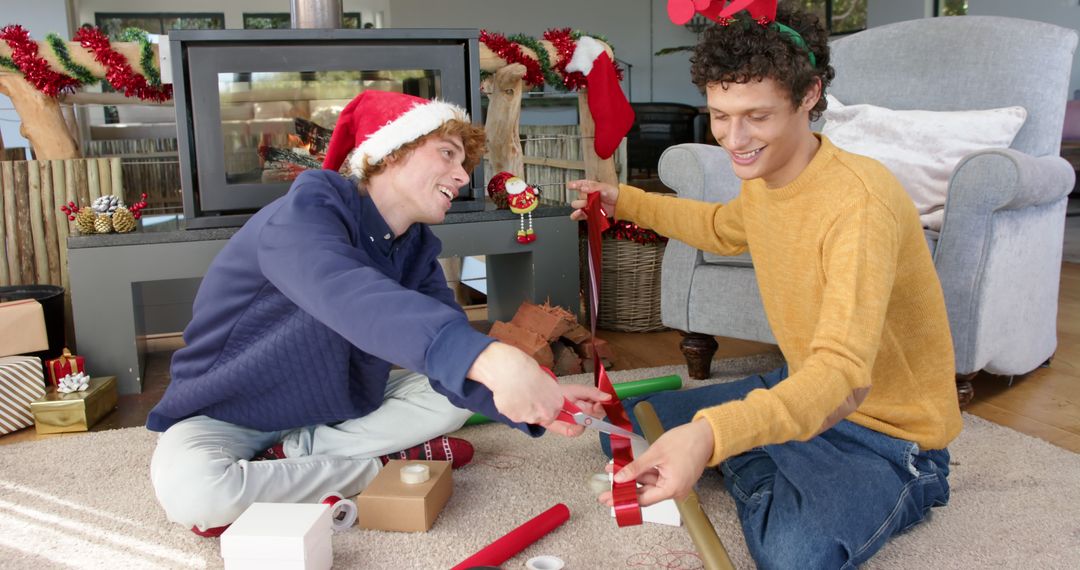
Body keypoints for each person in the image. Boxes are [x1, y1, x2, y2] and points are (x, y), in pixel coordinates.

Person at [570, 5, 962, 568]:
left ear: (808, 97)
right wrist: (623, 200)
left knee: (795, 555)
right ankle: (764, 440)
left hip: (886, 435)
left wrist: (712, 436)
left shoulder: (859, 204)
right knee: (626, 432)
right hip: (803, 388)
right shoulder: (768, 180)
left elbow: (842, 376)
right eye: (720, 115)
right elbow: (718, 228)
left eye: (756, 116)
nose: (734, 139)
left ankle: (757, 448)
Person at [148, 90, 611, 537]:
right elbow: (342, 288)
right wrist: (490, 359)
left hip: (332, 408)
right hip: (227, 411)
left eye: (464, 165)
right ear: (390, 152)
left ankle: (297, 457)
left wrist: (538, 400)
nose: (463, 177)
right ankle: (377, 467)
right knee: (196, 495)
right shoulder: (304, 211)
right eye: (447, 154)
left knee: (449, 395)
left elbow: (445, 351)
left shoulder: (415, 251)